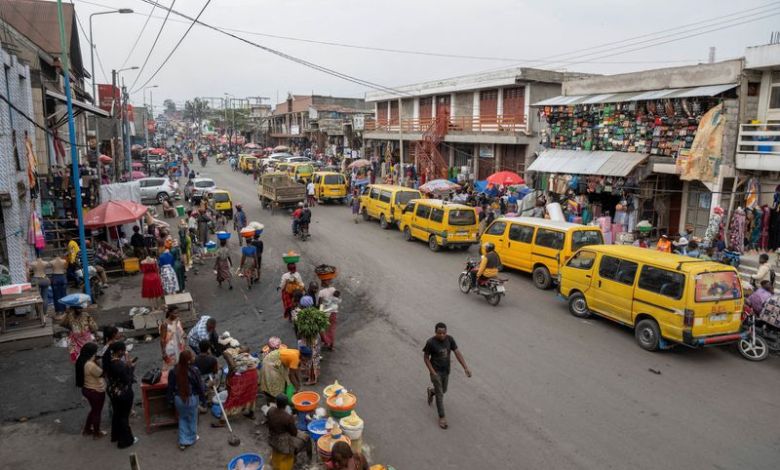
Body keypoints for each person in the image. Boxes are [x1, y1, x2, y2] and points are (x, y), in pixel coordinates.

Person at [423, 322, 471, 429]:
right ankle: (442, 417)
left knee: (443, 390)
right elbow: (426, 358)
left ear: (446, 332)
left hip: (446, 371)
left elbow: (457, 353)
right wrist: (433, 372)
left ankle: (431, 391)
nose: (441, 335)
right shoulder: (430, 342)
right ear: (435, 332)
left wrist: (465, 367)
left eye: (443, 333)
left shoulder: (450, 339)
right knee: (440, 395)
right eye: (439, 333)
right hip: (436, 372)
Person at [167, 350, 206, 450]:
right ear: (188, 360)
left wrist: (170, 401)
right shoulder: (194, 370)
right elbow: (200, 387)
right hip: (191, 399)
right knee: (192, 418)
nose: (194, 358)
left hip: (178, 399)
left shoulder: (173, 371)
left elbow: (170, 388)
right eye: (192, 357)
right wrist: (203, 399)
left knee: (182, 418)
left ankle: (183, 441)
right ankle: (191, 438)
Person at [105, 341, 137, 448]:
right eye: (124, 351)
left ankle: (116, 436)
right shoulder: (119, 365)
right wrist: (131, 367)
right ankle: (126, 441)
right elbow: (127, 379)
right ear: (120, 351)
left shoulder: (109, 361)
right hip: (122, 393)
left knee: (117, 414)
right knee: (124, 417)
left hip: (113, 391)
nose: (125, 353)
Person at [267, 394, 312, 470]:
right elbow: (294, 433)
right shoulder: (288, 417)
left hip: (272, 438)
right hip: (283, 443)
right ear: (286, 404)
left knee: (299, 435)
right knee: (307, 437)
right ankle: (309, 459)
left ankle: (292, 456)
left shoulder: (270, 410)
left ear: (276, 402)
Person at [75, 342, 107, 439]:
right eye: (95, 351)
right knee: (97, 412)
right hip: (96, 391)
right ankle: (96, 433)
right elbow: (101, 373)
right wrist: (99, 363)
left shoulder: (81, 360)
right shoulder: (90, 365)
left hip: (87, 389)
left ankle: (87, 429)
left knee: (93, 410)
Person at [160, 306, 186, 370]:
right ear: (169, 313)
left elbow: (181, 331)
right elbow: (162, 339)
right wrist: (164, 353)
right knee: (171, 367)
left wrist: (184, 335)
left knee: (181, 365)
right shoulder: (165, 325)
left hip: (180, 346)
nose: (176, 315)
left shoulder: (178, 320)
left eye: (178, 313)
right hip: (171, 348)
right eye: (175, 313)